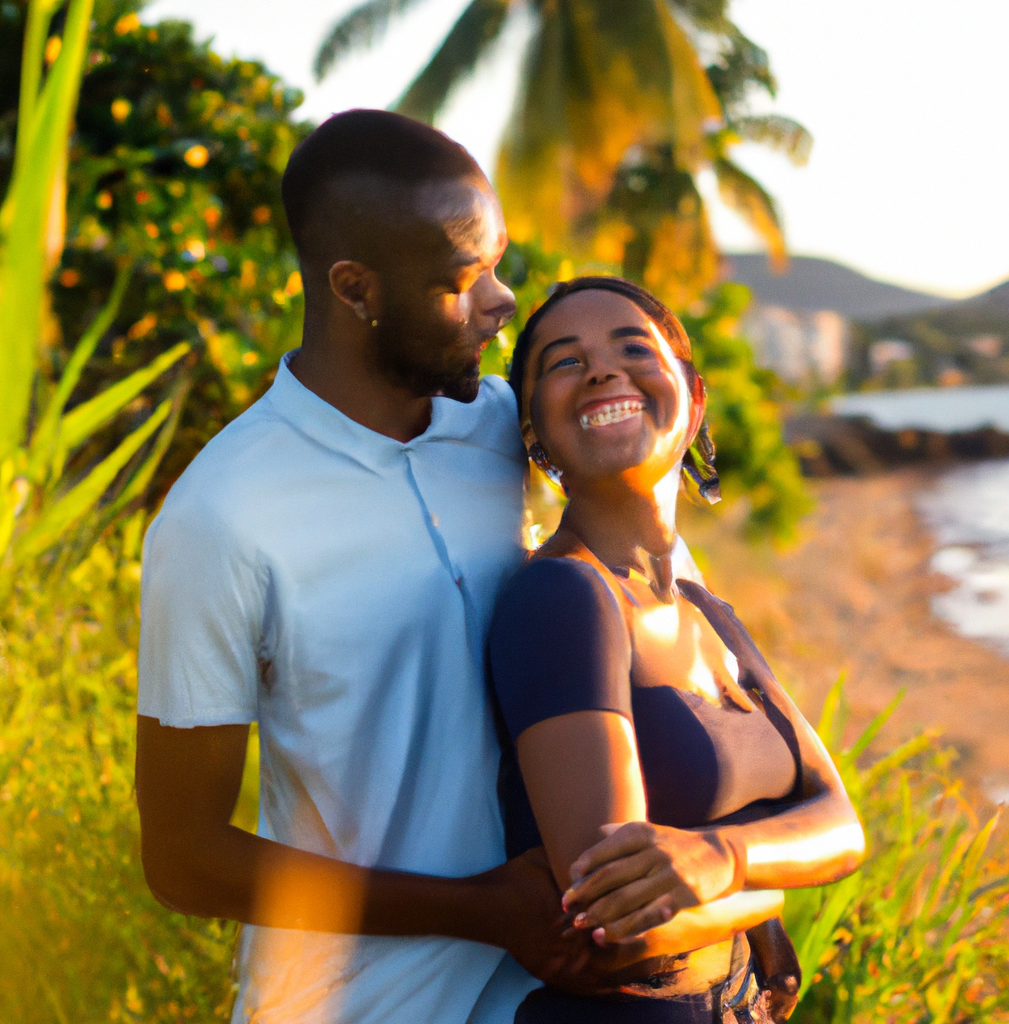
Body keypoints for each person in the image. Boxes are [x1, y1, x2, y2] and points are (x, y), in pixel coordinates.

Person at [134, 112, 670, 1024]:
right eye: (465, 281)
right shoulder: (221, 515)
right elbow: (182, 857)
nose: (503, 301)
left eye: (500, 262)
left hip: (541, 999)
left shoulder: (501, 424)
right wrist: (478, 911)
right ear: (356, 288)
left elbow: (647, 583)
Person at [488, 276, 867, 1023]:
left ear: (692, 401)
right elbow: (613, 934)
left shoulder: (705, 604)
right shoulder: (563, 598)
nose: (602, 370)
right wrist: (757, 882)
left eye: (633, 348)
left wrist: (721, 866)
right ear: (535, 436)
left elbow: (842, 823)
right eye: (564, 362)